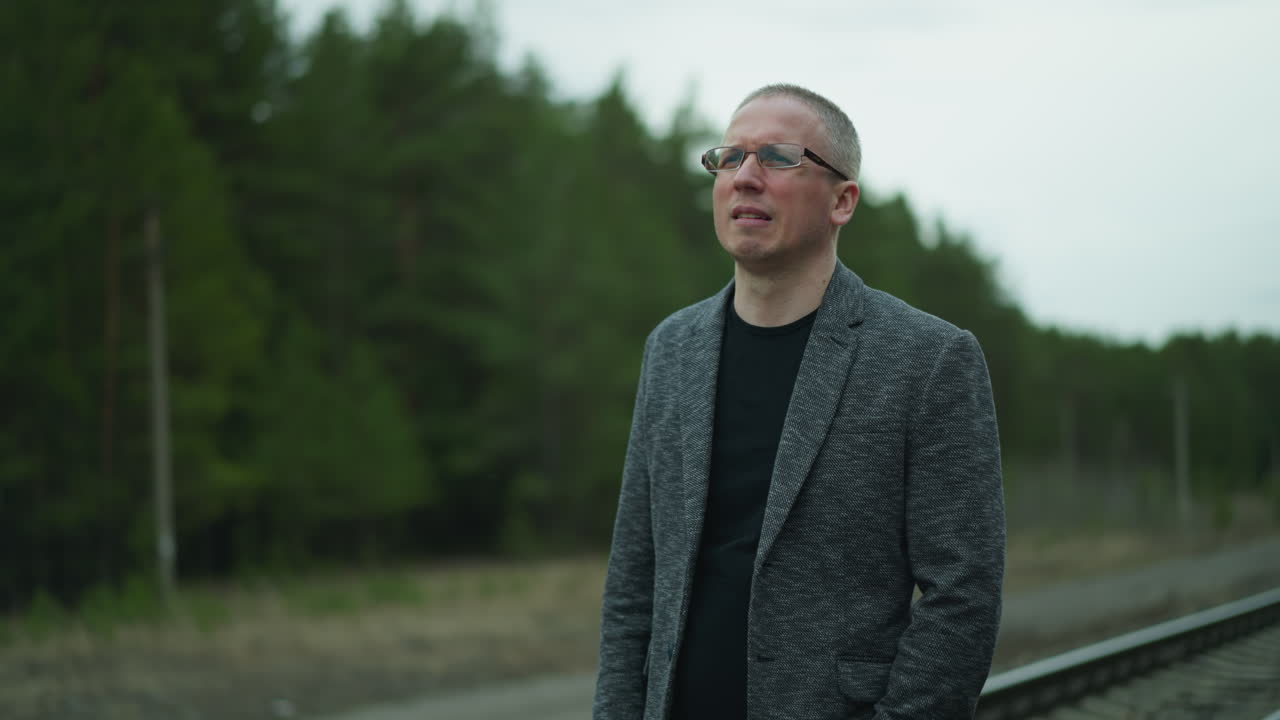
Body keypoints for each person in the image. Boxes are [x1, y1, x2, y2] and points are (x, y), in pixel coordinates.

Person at [592, 83, 1005, 720]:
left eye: (779, 157)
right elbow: (633, 582)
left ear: (843, 200)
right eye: (729, 158)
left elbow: (964, 595)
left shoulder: (929, 358)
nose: (745, 177)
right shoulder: (671, 349)